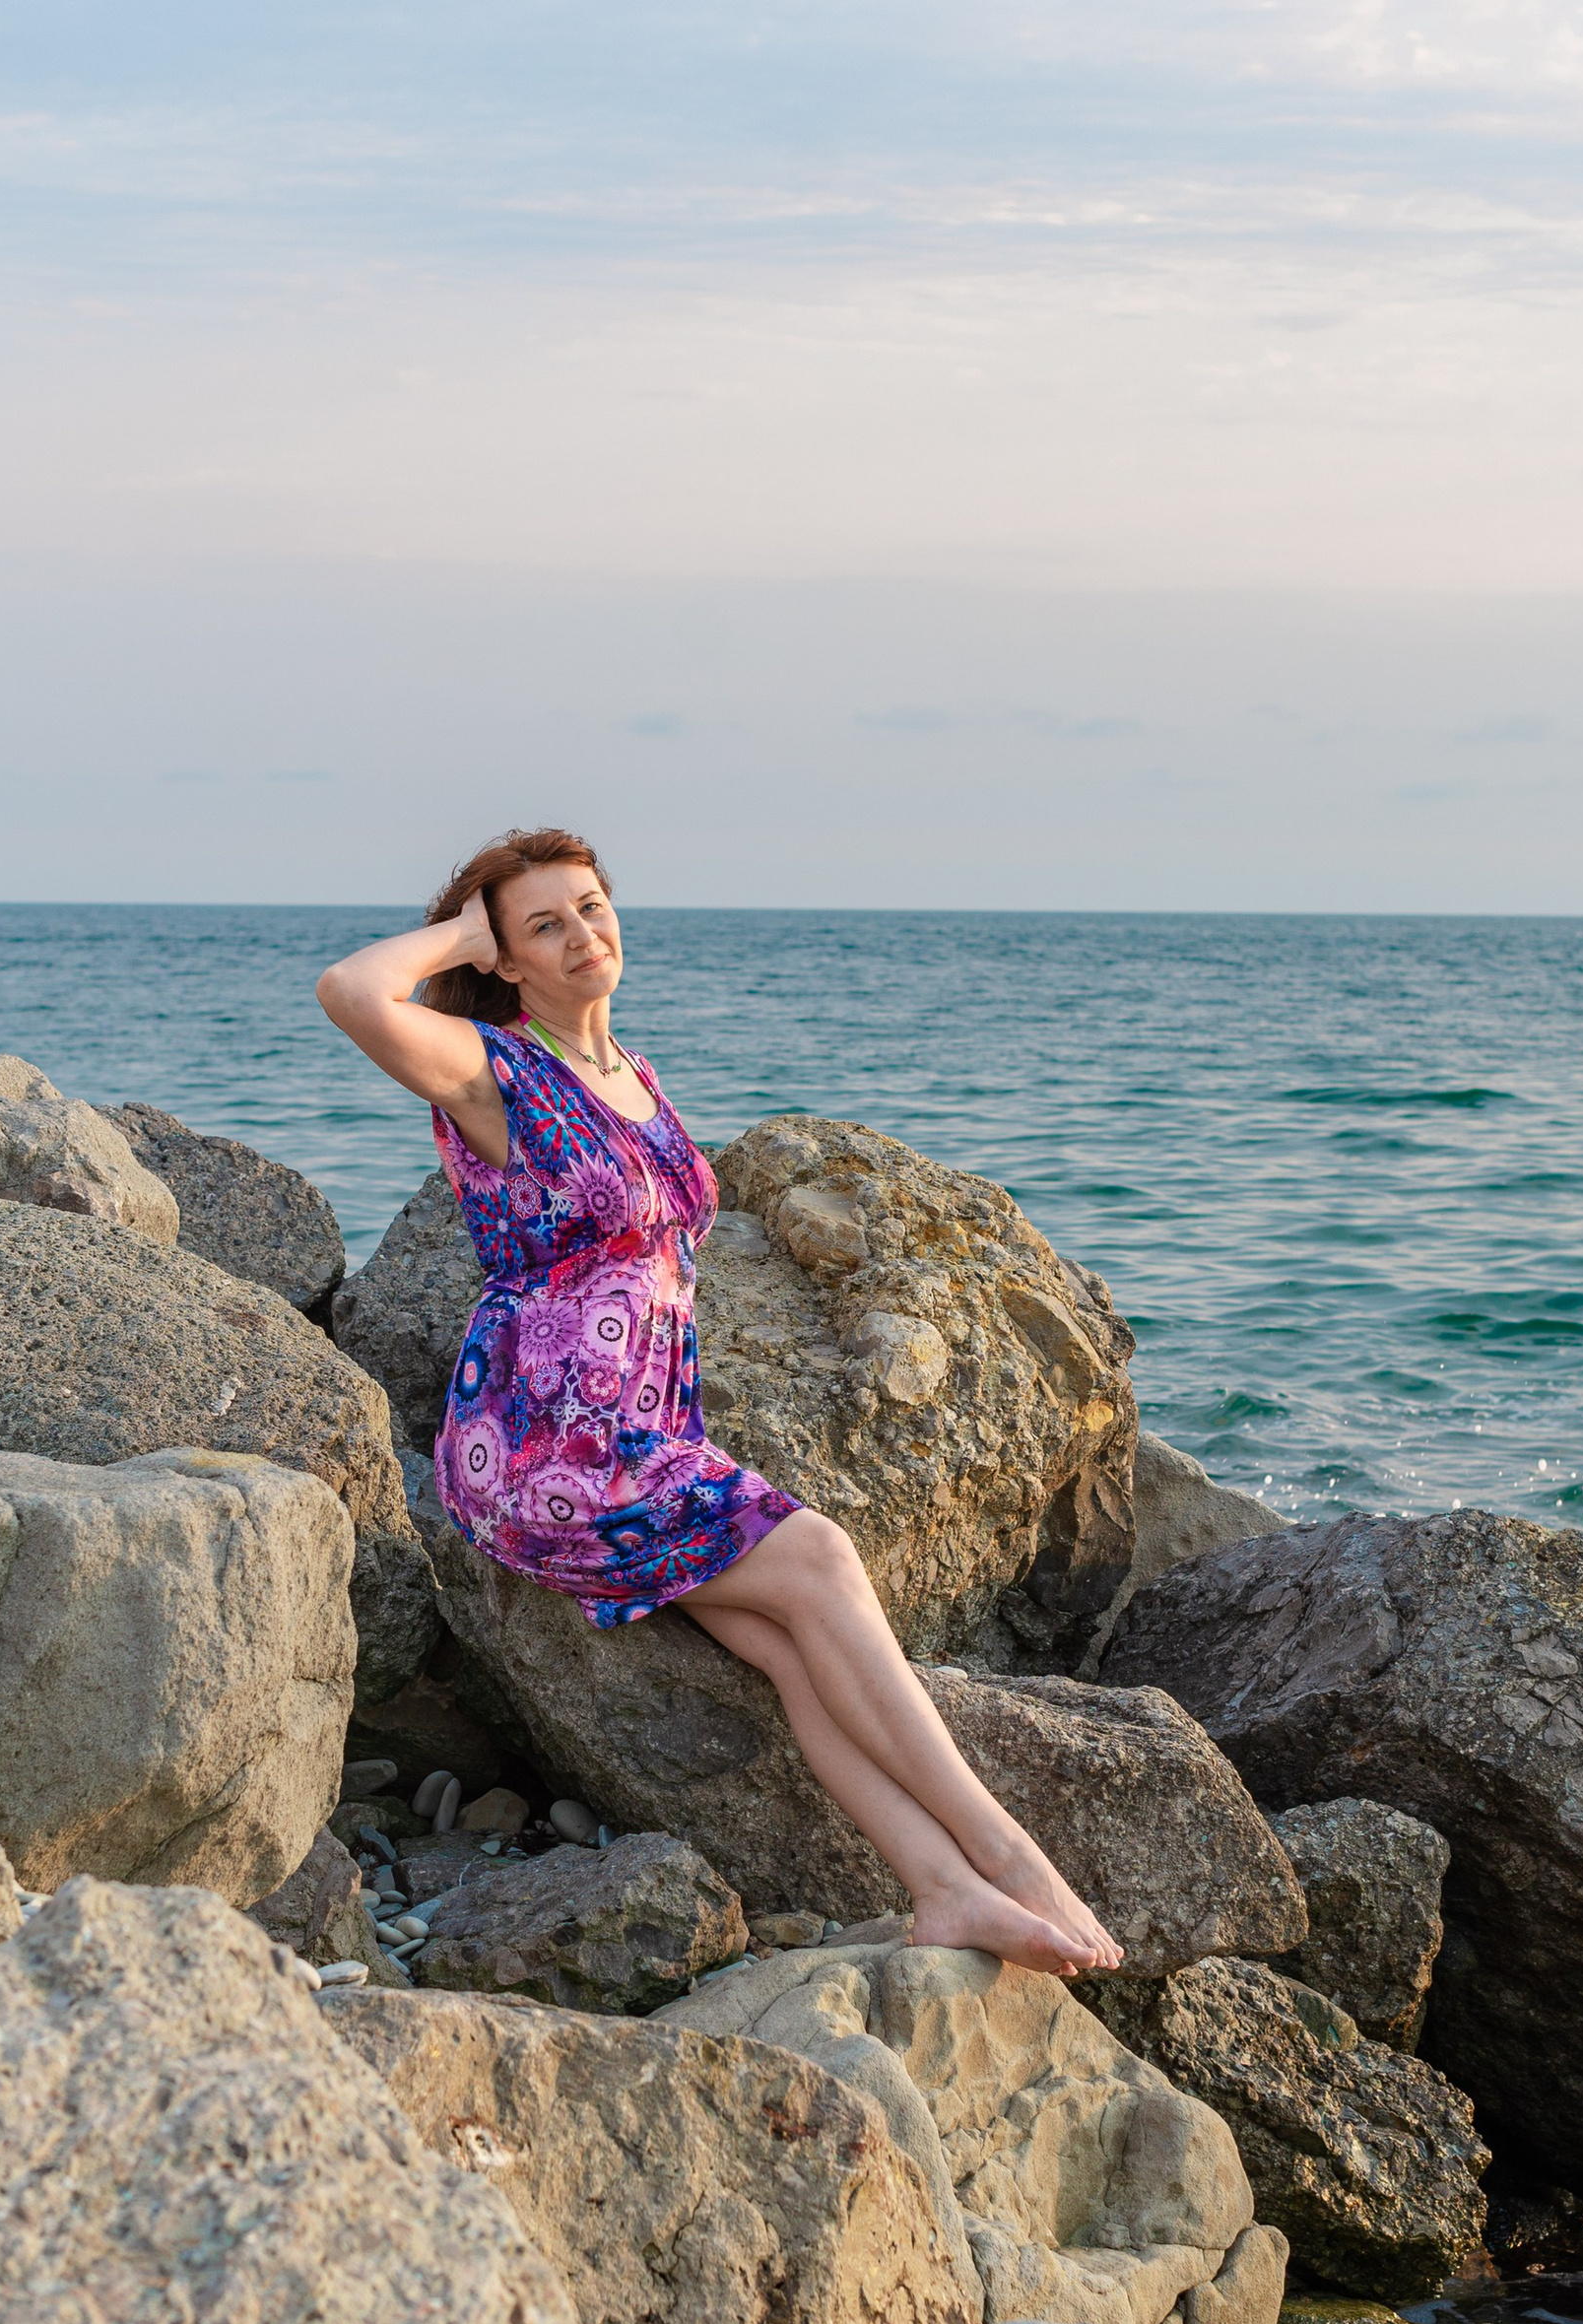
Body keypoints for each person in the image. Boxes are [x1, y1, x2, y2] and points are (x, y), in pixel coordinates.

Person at [316, 826, 1119, 1974]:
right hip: (549, 1444)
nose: (581, 933)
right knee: (826, 1561)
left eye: (590, 906)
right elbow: (349, 990)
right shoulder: (497, 1070)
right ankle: (1011, 1854)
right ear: (506, 958)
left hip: (646, 1432)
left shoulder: (634, 1074)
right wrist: (457, 931)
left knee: (795, 1649)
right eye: (543, 924)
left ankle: (943, 1889)